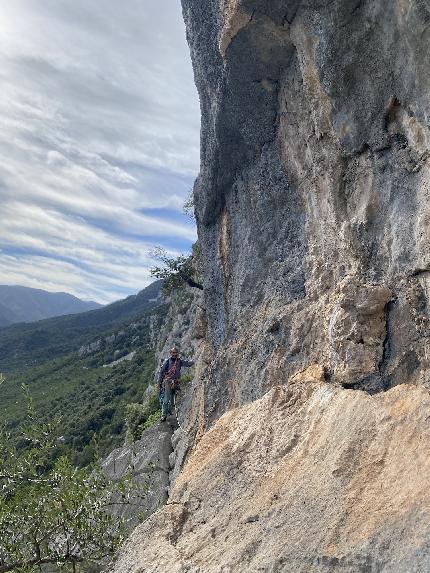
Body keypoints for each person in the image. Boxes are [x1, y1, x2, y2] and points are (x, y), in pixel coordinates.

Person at [158, 347, 194, 422]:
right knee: (166, 399)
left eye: (175, 353)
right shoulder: (167, 361)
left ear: (177, 353)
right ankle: (163, 416)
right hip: (168, 382)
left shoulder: (179, 361)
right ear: (170, 353)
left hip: (176, 383)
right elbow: (161, 372)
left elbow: (188, 364)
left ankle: (170, 412)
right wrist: (159, 383)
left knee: (172, 399)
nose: (174, 354)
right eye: (173, 353)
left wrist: (194, 360)